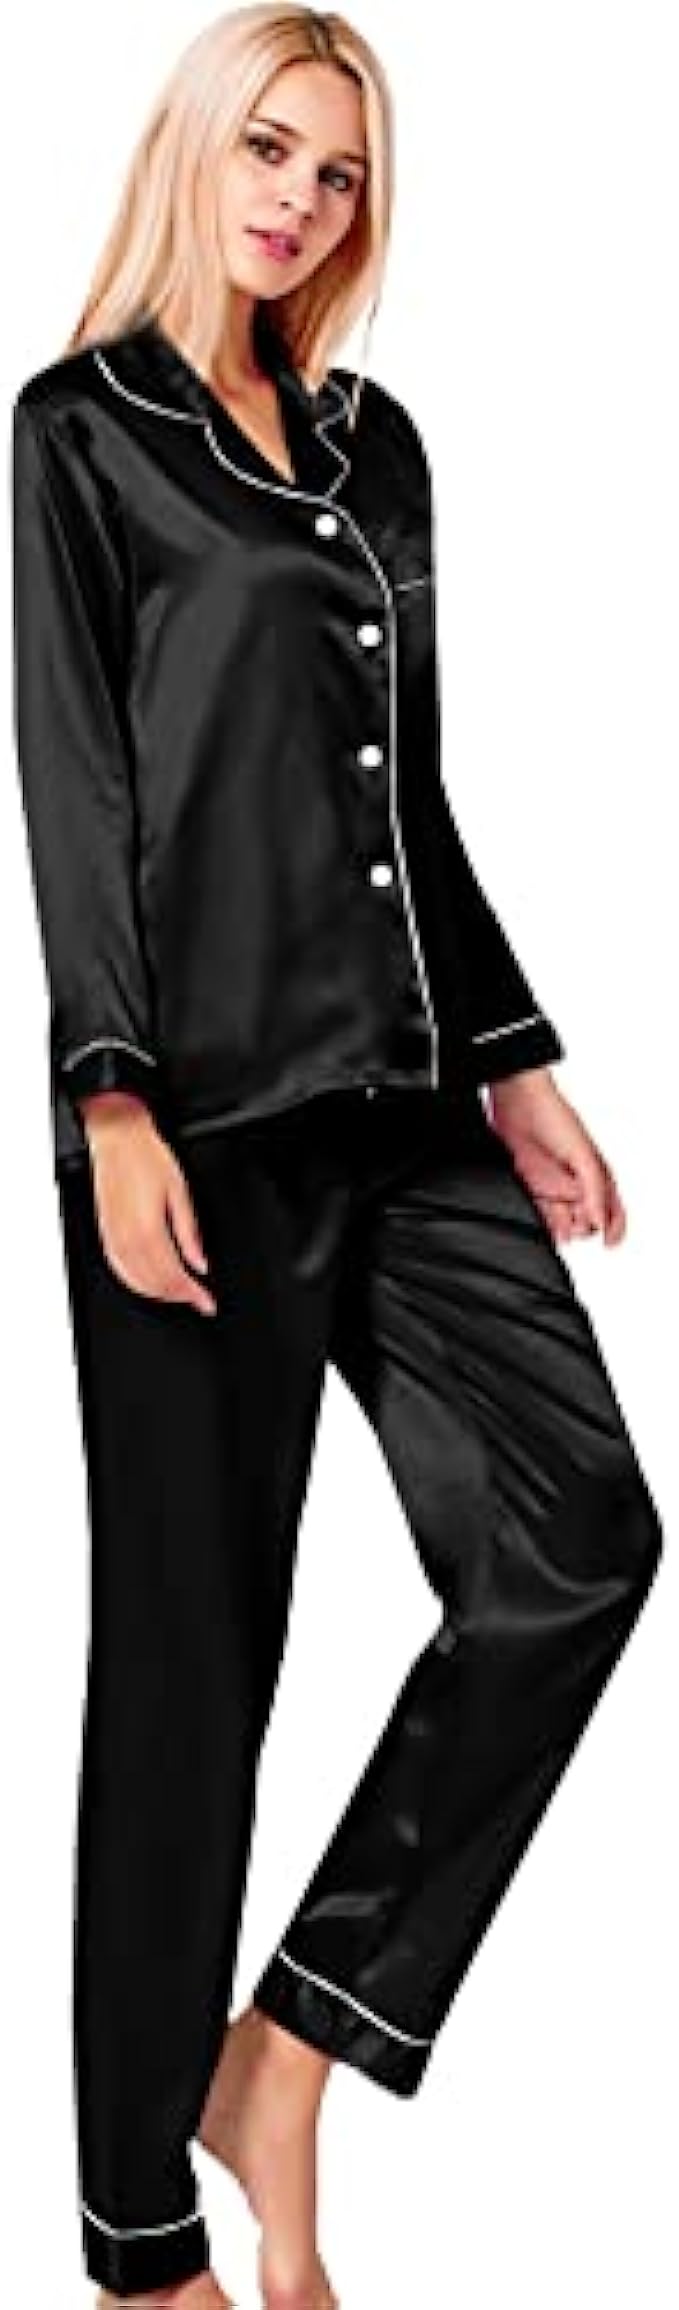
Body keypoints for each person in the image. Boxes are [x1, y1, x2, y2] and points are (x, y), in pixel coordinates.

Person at [10, 9, 665, 2308]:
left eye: (339, 172)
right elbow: (78, 786)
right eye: (268, 151)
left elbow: (406, 786)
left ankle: (283, 2050)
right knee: (191, 1674)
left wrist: (515, 1059)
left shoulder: (376, 452)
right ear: (198, 153)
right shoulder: (82, 436)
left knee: (581, 1537)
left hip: (404, 1106)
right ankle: (135, 2245)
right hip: (194, 1131)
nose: (297, 199)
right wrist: (107, 1096)